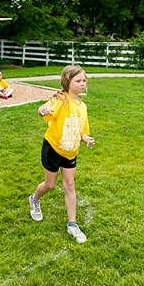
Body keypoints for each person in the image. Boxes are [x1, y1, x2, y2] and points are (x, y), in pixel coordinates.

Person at [28, 65, 95, 243]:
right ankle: (34, 199)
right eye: (78, 81)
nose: (82, 83)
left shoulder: (83, 107)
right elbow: (45, 109)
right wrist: (42, 110)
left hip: (71, 151)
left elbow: (82, 131)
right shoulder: (60, 100)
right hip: (53, 148)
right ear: (67, 82)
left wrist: (87, 139)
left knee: (69, 185)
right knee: (50, 185)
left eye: (84, 80)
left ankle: (72, 224)